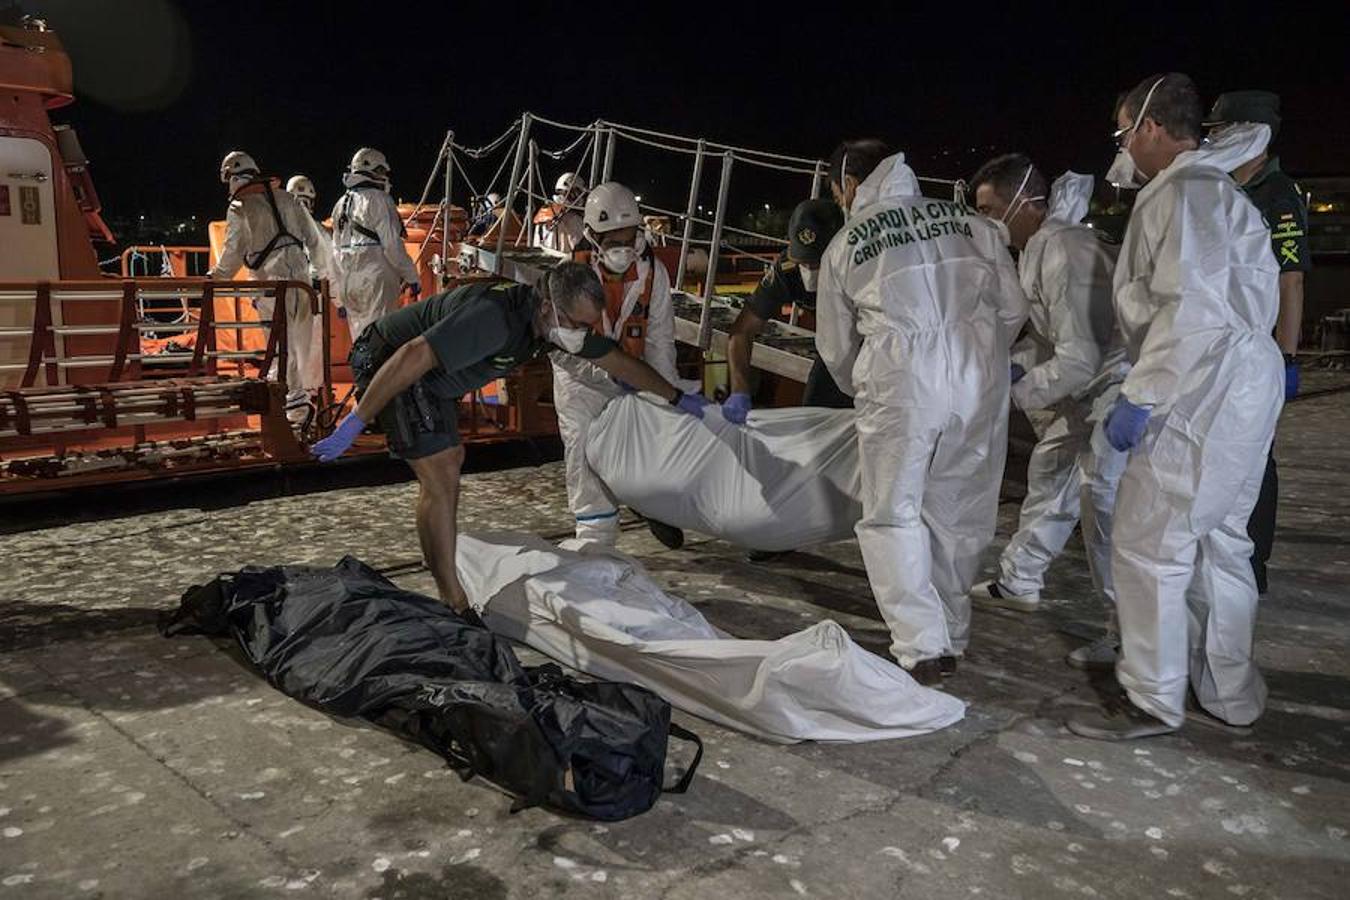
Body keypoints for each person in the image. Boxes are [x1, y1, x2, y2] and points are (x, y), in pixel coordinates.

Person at [1068, 74, 1283, 740]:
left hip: (1201, 387)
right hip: (1247, 383)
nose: (1124, 149)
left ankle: (1152, 698)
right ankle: (1229, 692)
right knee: (1223, 543)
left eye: (1125, 133)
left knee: (1147, 544)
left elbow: (1186, 310)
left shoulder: (1177, 198)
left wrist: (1139, 397)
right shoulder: (1224, 193)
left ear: (1151, 128)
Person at [310, 262, 709, 611]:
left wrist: (675, 396)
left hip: (435, 380)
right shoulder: (494, 318)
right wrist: (356, 421)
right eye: (576, 324)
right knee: (441, 474)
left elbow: (617, 361)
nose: (581, 333)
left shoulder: (550, 324)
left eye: (588, 325)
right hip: (389, 362)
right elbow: (412, 355)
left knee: (451, 463)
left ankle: (450, 584)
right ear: (550, 306)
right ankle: (454, 599)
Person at [816, 141, 1029, 685]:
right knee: (960, 506)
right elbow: (1014, 306)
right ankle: (952, 628)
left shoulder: (846, 243)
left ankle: (923, 644)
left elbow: (836, 346)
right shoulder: (972, 224)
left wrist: (861, 385)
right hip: (978, 371)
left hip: (901, 375)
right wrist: (981, 350)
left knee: (893, 511)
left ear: (850, 184)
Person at [966, 157, 1130, 669]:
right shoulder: (1038, 249)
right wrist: (1006, 365)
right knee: (1050, 471)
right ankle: (1020, 579)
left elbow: (1080, 355)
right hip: (1083, 390)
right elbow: (1046, 337)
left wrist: (1011, 391)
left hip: (1112, 391)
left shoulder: (1064, 250)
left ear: (1025, 202)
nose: (989, 222)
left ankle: (1129, 634)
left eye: (991, 209)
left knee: (1103, 509)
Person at [1204, 90, 1309, 595]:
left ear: (1253, 134)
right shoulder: (1221, 187)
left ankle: (1254, 560)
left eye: (1222, 130)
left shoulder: (1278, 195)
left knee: (1257, 459)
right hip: (1217, 349)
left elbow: (1291, 281)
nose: (1214, 139)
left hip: (1256, 352)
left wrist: (1287, 358)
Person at [553, 181, 683, 547]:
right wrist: (609, 373)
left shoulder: (652, 274)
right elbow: (562, 348)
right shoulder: (568, 276)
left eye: (628, 238)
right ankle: (595, 540)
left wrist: (667, 393)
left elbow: (659, 340)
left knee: (648, 443)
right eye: (613, 241)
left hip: (634, 374)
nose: (623, 249)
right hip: (581, 386)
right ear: (593, 235)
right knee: (584, 455)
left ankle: (650, 503)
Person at [208, 151, 329, 420]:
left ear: (230, 177)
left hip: (271, 288)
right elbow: (315, 241)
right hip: (302, 284)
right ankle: (297, 405)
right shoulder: (288, 199)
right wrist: (323, 275)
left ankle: (289, 410)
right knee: (300, 344)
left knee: (279, 347)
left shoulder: (240, 207)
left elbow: (232, 253)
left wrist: (214, 279)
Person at [724, 198, 850, 425]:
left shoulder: (863, 266)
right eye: (804, 262)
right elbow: (742, 331)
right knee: (814, 424)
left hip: (877, 347)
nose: (809, 272)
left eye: (817, 263)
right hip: (833, 347)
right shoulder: (787, 270)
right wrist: (740, 390)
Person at [330, 148, 421, 342]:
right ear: (374, 170)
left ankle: (364, 373)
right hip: (375, 280)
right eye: (382, 171)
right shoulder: (380, 199)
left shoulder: (340, 204)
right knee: (380, 341)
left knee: (360, 343)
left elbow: (335, 251)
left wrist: (338, 295)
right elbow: (391, 245)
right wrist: (411, 276)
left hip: (349, 282)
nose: (384, 176)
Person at [533, 172, 587, 253]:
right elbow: (581, 251)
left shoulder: (543, 214)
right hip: (563, 262)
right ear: (573, 193)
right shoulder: (573, 219)